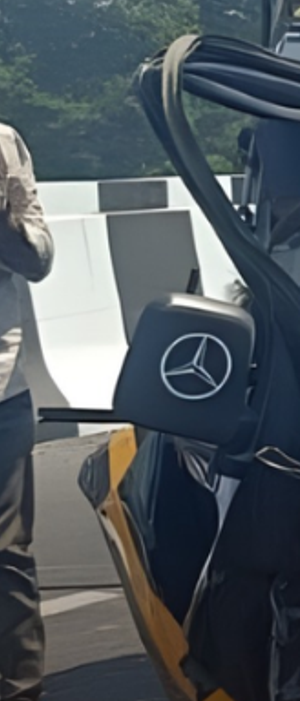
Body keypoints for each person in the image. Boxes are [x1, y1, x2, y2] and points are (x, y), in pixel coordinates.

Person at [0, 126, 54, 701]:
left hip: (2, 390)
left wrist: (2, 219)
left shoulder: (3, 144)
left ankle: (21, 685)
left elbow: (38, 259)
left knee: (6, 553)